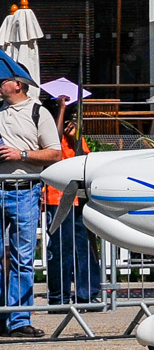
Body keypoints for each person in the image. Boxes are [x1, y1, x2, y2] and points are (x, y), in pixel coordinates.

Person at [0, 74, 63, 337]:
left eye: (2, 80)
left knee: (22, 259)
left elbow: (55, 152)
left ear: (18, 85)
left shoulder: (38, 112)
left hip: (24, 191)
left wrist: (21, 154)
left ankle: (19, 321)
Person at [43, 97, 101, 307]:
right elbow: (53, 145)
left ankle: (87, 293)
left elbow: (85, 156)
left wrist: (76, 136)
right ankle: (59, 295)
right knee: (61, 248)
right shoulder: (47, 125)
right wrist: (60, 109)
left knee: (84, 245)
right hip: (57, 197)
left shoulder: (74, 131)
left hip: (79, 195)